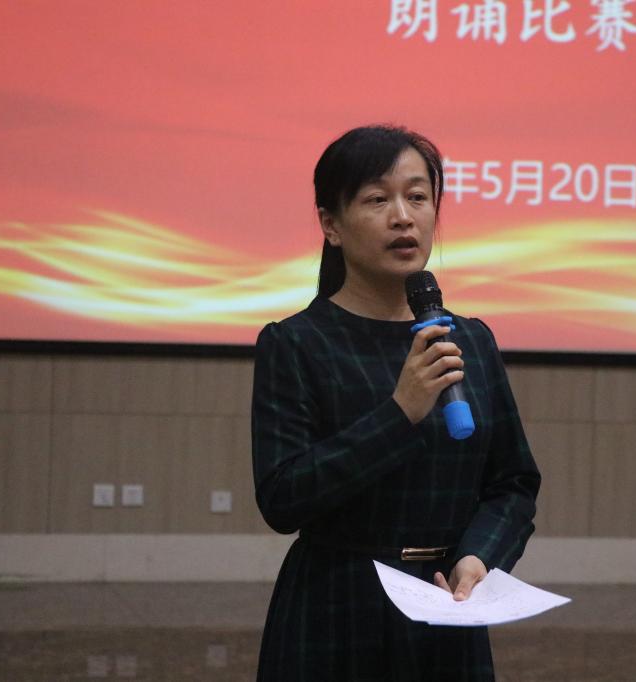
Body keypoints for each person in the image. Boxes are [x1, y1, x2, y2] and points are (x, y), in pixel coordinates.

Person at [251, 124, 540, 681]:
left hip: (448, 608)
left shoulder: (470, 339)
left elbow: (512, 483)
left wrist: (479, 556)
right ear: (331, 225)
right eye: (377, 200)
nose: (403, 217)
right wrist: (399, 413)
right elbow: (283, 498)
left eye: (418, 197)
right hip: (336, 609)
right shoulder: (296, 344)